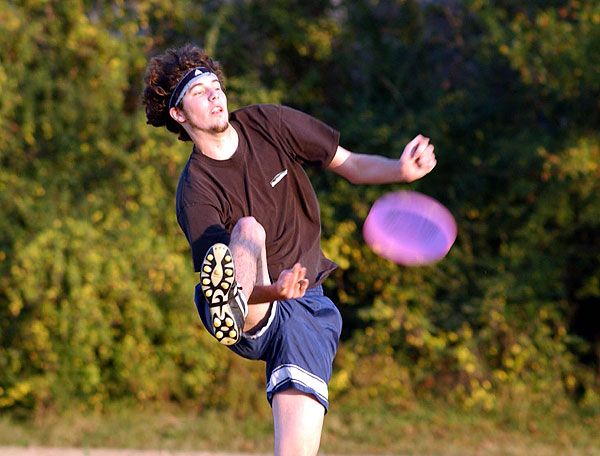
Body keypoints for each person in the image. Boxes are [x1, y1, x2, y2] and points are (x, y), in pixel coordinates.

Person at [142, 44, 436, 456]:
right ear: (178, 114)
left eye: (216, 86)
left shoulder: (268, 123)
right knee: (247, 229)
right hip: (249, 304)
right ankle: (232, 305)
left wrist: (400, 170)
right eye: (198, 92)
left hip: (305, 307)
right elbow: (220, 264)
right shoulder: (196, 190)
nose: (214, 95)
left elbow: (348, 164)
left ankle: (241, 302)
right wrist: (269, 291)